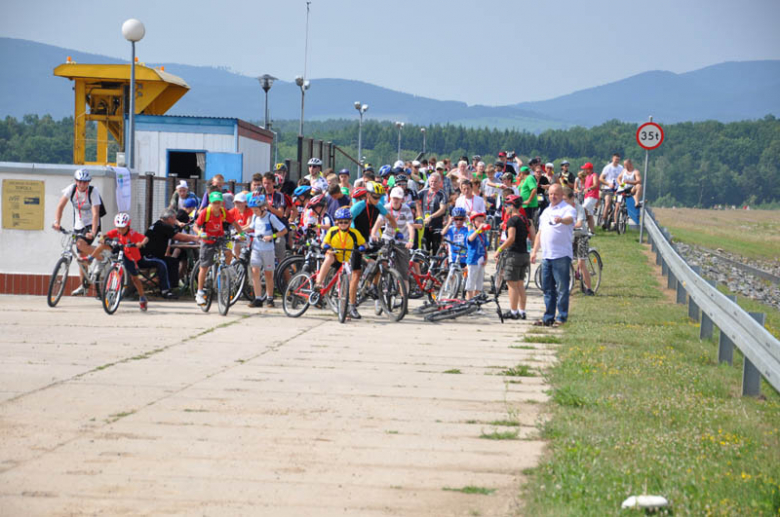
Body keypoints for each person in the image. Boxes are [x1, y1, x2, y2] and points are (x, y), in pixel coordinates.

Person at [348, 182, 399, 318]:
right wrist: (358, 239)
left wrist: (397, 231)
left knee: (382, 259)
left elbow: (390, 218)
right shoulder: (359, 206)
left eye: (379, 197)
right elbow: (349, 221)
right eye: (375, 197)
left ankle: (373, 286)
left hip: (367, 238)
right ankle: (351, 306)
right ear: (368, 195)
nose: (377, 199)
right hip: (355, 239)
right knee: (356, 274)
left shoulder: (378, 206)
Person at [53, 168, 104, 295]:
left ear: (89, 182)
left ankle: (101, 257)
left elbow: (95, 213)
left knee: (81, 244)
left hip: (92, 224)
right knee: (81, 256)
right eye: (80, 181)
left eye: (85, 182)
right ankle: (84, 285)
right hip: (78, 225)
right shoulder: (71, 189)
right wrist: (57, 222)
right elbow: (60, 206)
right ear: (76, 181)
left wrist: (93, 231)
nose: (82, 184)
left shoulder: (93, 191)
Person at [531, 184, 577, 326]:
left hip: (561, 255)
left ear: (562, 194)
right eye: (550, 194)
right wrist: (534, 251)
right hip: (547, 256)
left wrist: (562, 220)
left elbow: (570, 219)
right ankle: (548, 317)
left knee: (562, 288)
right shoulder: (545, 212)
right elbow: (540, 232)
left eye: (556, 194)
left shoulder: (568, 209)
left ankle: (561, 317)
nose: (553, 196)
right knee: (548, 289)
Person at [193, 191, 245, 306]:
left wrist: (242, 234)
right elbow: (195, 226)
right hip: (207, 240)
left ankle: (224, 271)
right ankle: (200, 293)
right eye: (214, 203)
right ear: (210, 203)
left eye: (219, 203)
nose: (217, 205)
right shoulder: (205, 212)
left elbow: (235, 223)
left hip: (220, 237)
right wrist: (200, 233)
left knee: (228, 252)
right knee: (204, 266)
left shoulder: (223, 212)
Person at [92, 213, 149, 311]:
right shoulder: (116, 231)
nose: (120, 230)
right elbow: (105, 236)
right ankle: (90, 259)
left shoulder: (132, 234)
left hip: (130, 256)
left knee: (135, 278)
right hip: (120, 250)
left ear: (128, 226)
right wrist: (102, 239)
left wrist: (141, 244)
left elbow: (145, 238)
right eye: (118, 228)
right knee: (101, 246)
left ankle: (142, 297)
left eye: (123, 228)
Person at [494, 195, 535, 320]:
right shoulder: (525, 219)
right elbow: (532, 237)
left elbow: (511, 238)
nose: (505, 208)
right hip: (524, 254)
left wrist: (499, 250)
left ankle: (513, 311)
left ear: (512, 206)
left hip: (513, 254)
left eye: (506, 206)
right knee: (520, 284)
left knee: (511, 284)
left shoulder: (512, 220)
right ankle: (522, 311)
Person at [143, 209, 199, 298]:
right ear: (169, 219)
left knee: (172, 261)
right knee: (170, 262)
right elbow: (180, 237)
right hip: (151, 256)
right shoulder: (164, 226)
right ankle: (167, 289)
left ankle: (168, 285)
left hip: (149, 254)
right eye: (174, 219)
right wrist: (196, 238)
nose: (175, 222)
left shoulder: (158, 224)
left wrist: (178, 223)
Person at [245, 195, 287, 308]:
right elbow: (250, 227)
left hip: (268, 249)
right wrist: (238, 230)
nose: (254, 212)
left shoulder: (270, 217)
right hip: (256, 248)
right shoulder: (255, 217)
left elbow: (283, 230)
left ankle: (269, 298)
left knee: (268, 274)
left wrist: (272, 236)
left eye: (256, 210)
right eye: (253, 210)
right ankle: (258, 298)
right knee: (255, 272)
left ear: (263, 208)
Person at [373, 187, 415, 293]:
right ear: (390, 198)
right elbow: (379, 222)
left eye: (398, 198)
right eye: (394, 198)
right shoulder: (385, 208)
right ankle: (378, 285)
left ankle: (403, 299)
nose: (396, 200)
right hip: (387, 238)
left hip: (402, 241)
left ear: (402, 199)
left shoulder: (406, 209)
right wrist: (374, 233)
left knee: (403, 273)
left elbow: (410, 226)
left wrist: (411, 240)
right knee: (381, 262)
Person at [564, 188, 595, 296]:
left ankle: (589, 288)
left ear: (572, 198)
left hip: (581, 235)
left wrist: (567, 225)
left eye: (565, 199)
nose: (564, 202)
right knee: (565, 259)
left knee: (581, 263)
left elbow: (579, 223)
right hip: (571, 235)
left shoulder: (579, 208)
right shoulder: (563, 208)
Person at [419, 172, 448, 255]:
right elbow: (414, 200)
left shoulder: (442, 194)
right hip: (425, 224)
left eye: (435, 182)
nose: (433, 183)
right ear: (428, 182)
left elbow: (442, 209)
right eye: (431, 181)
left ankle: (435, 267)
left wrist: (431, 217)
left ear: (439, 183)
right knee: (425, 249)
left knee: (436, 248)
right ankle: (426, 266)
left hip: (437, 224)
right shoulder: (423, 192)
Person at [465, 212, 490, 300]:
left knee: (478, 285)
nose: (481, 223)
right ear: (473, 222)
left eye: (482, 221)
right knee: (470, 285)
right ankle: (468, 303)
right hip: (473, 261)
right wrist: (478, 229)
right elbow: (470, 239)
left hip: (481, 260)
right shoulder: (472, 232)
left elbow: (485, 246)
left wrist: (486, 258)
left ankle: (476, 304)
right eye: (478, 221)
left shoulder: (484, 234)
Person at [599, 152, 624, 229]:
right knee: (607, 203)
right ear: (612, 159)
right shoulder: (607, 168)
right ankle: (604, 219)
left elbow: (624, 179)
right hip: (609, 188)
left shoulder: (621, 168)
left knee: (618, 205)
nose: (617, 161)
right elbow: (601, 178)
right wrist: (608, 184)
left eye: (618, 159)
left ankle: (615, 223)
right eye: (616, 159)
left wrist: (623, 187)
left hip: (618, 188)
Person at [581, 163, 599, 233]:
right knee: (590, 214)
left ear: (589, 169)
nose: (584, 170)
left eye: (585, 169)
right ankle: (592, 231)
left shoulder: (594, 175)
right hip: (587, 197)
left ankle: (583, 224)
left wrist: (588, 189)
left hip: (592, 196)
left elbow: (595, 185)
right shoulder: (587, 177)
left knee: (583, 207)